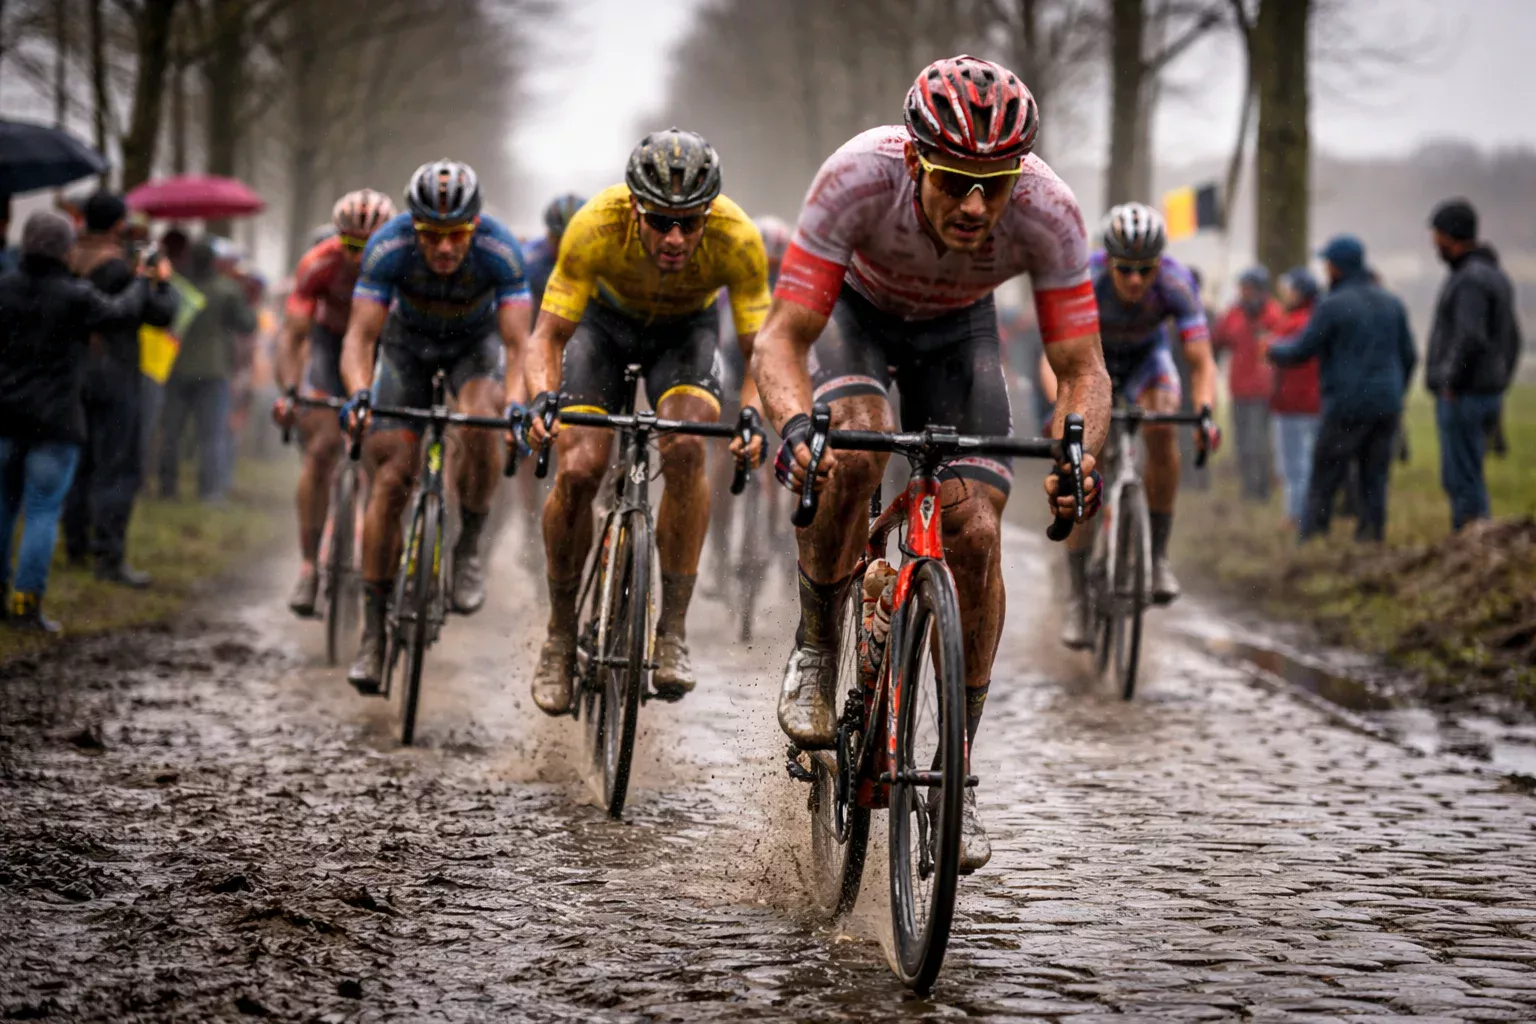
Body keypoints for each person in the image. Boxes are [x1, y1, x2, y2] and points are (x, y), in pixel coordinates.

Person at [753, 56, 1111, 871]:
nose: (976, 206)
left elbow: (1083, 370)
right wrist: (795, 427)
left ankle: (957, 775)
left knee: (975, 534)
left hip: (958, 333)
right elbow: (781, 338)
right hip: (857, 315)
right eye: (954, 181)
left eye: (996, 184)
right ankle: (817, 647)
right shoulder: (855, 179)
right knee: (856, 441)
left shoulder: (1050, 210)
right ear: (915, 160)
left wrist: (1079, 454)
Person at [523, 129, 770, 713]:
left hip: (685, 336)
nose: (675, 237)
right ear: (634, 208)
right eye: (660, 221)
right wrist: (541, 399)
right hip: (602, 331)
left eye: (690, 222)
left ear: (710, 213)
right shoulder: (594, 226)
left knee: (686, 447)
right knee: (580, 468)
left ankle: (672, 632)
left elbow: (761, 353)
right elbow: (547, 336)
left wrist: (753, 416)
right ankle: (559, 636)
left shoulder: (738, 239)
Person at [338, 159, 531, 691]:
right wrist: (359, 393)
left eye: (457, 235)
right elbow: (360, 337)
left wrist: (517, 404)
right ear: (412, 227)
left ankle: (468, 546)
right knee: (391, 477)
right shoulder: (387, 246)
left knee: (481, 423)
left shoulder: (500, 250)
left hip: (474, 348)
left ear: (475, 226)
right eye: (430, 235)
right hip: (407, 350)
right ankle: (373, 633)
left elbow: (519, 345)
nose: (444, 248)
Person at [0, 211, 175, 630]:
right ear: (64, 249)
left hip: (4, 417)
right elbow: (122, 313)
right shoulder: (73, 296)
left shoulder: (3, 287)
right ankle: (26, 605)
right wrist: (143, 280)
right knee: (42, 511)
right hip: (55, 422)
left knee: (3, 508)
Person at [1057, 203, 1218, 648]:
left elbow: (1201, 362)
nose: (1134, 280)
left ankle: (1158, 557)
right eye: (1124, 269)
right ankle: (1078, 596)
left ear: (1159, 265)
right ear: (1107, 260)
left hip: (1148, 362)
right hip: (1093, 361)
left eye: (1145, 270)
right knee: (1084, 466)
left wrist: (1206, 412)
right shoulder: (1084, 279)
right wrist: (1064, 412)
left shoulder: (1176, 282)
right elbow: (1056, 358)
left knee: (1163, 426)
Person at [272, 188, 396, 616]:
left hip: (384, 346)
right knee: (322, 448)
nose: (358, 256)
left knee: (388, 459)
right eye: (350, 245)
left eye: (369, 246)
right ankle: (309, 567)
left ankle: (386, 557)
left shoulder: (403, 263)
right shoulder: (319, 263)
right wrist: (291, 391)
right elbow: (292, 336)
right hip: (331, 342)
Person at [1269, 235, 1416, 543]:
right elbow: (1410, 356)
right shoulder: (1392, 303)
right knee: (1374, 475)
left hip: (1346, 405)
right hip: (1386, 405)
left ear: (1336, 268)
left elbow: (1302, 350)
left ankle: (1313, 536)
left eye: (1327, 264)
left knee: (1325, 473)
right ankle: (1371, 536)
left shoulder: (1332, 305)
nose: (1325, 270)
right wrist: (1395, 392)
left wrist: (1272, 350)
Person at [62, 191, 167, 587]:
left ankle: (75, 545)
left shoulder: (67, 258)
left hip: (74, 375)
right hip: (116, 376)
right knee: (118, 467)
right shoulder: (121, 268)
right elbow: (159, 315)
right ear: (119, 224)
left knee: (80, 463)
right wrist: (159, 282)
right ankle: (109, 555)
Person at [1425, 198, 1523, 531]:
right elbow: (1512, 338)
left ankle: (1471, 542)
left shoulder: (1469, 280)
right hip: (1484, 390)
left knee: (1461, 477)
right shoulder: (1495, 275)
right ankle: (1474, 540)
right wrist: (1501, 378)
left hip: (1465, 394)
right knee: (1469, 472)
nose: (1434, 243)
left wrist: (1450, 381)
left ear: (1450, 236)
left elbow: (1470, 337)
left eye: (1437, 234)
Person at [157, 239, 256, 503]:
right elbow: (247, 323)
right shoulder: (227, 290)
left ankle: (167, 488)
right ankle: (210, 492)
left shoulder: (179, 287)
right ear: (213, 261)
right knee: (212, 434)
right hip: (214, 369)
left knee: (172, 432)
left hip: (177, 366)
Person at [1213, 266, 1282, 502]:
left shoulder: (1273, 313)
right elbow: (1219, 338)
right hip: (1239, 388)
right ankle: (1248, 487)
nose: (1243, 293)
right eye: (1242, 288)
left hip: (1263, 390)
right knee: (1242, 442)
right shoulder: (1234, 313)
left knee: (1258, 441)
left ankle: (1260, 489)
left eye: (1247, 288)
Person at [1267, 267, 1322, 529]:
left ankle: (1296, 514)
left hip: (1292, 402)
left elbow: (1272, 355)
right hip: (1313, 401)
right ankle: (1306, 511)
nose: (1285, 295)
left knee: (1294, 463)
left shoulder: (1293, 323)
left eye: (1289, 290)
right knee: (1306, 460)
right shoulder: (1317, 318)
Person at [522, 193, 585, 314]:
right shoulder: (531, 261)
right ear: (549, 235)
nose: (566, 248)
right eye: (559, 240)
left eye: (573, 241)